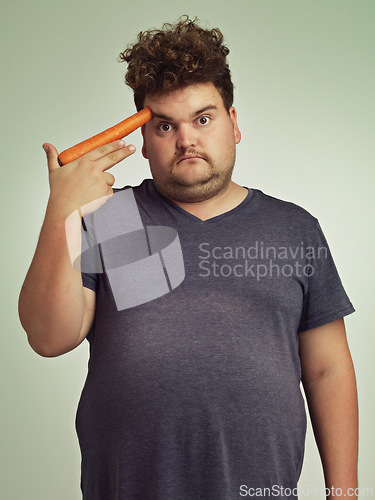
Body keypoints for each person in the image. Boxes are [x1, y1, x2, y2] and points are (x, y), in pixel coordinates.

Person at [19, 16, 358, 500]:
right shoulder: (113, 218)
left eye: (203, 118)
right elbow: (49, 338)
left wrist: (343, 494)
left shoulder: (293, 229)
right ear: (144, 141)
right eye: (164, 125)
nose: (186, 140)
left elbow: (328, 370)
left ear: (234, 123)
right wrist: (60, 212)